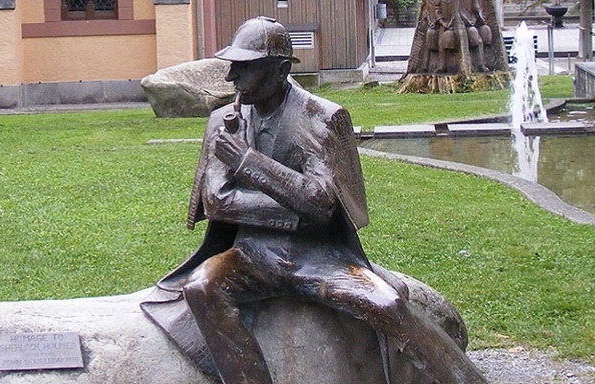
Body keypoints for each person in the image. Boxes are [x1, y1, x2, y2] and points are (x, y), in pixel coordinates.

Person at [140, 16, 488, 384]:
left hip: (320, 257)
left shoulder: (322, 117)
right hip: (253, 253)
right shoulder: (224, 121)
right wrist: (294, 211)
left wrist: (247, 161)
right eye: (232, 66)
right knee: (202, 287)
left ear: (281, 70)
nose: (231, 79)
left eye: (244, 68)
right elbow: (218, 201)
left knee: (388, 304)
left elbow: (321, 205)